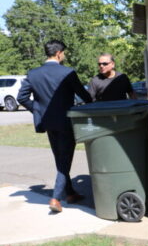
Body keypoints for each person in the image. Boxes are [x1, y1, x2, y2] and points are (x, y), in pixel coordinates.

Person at [17, 39, 93, 213]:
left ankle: (70, 193)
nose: (64, 56)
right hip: (66, 122)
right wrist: (90, 102)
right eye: (64, 53)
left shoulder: (33, 73)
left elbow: (22, 98)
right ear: (59, 53)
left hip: (48, 123)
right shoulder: (67, 72)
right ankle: (56, 198)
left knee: (60, 159)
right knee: (64, 162)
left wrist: (38, 111)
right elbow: (84, 95)